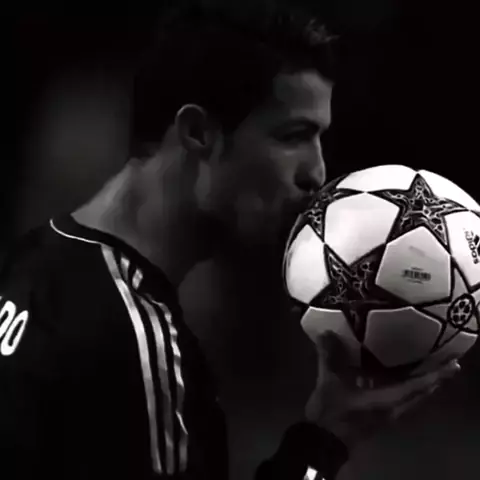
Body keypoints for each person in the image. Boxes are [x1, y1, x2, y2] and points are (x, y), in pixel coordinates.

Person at [1, 4, 460, 480]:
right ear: (198, 132)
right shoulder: (132, 337)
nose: (317, 173)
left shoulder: (33, 262)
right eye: (293, 136)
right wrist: (321, 451)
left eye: (320, 139)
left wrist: (326, 435)